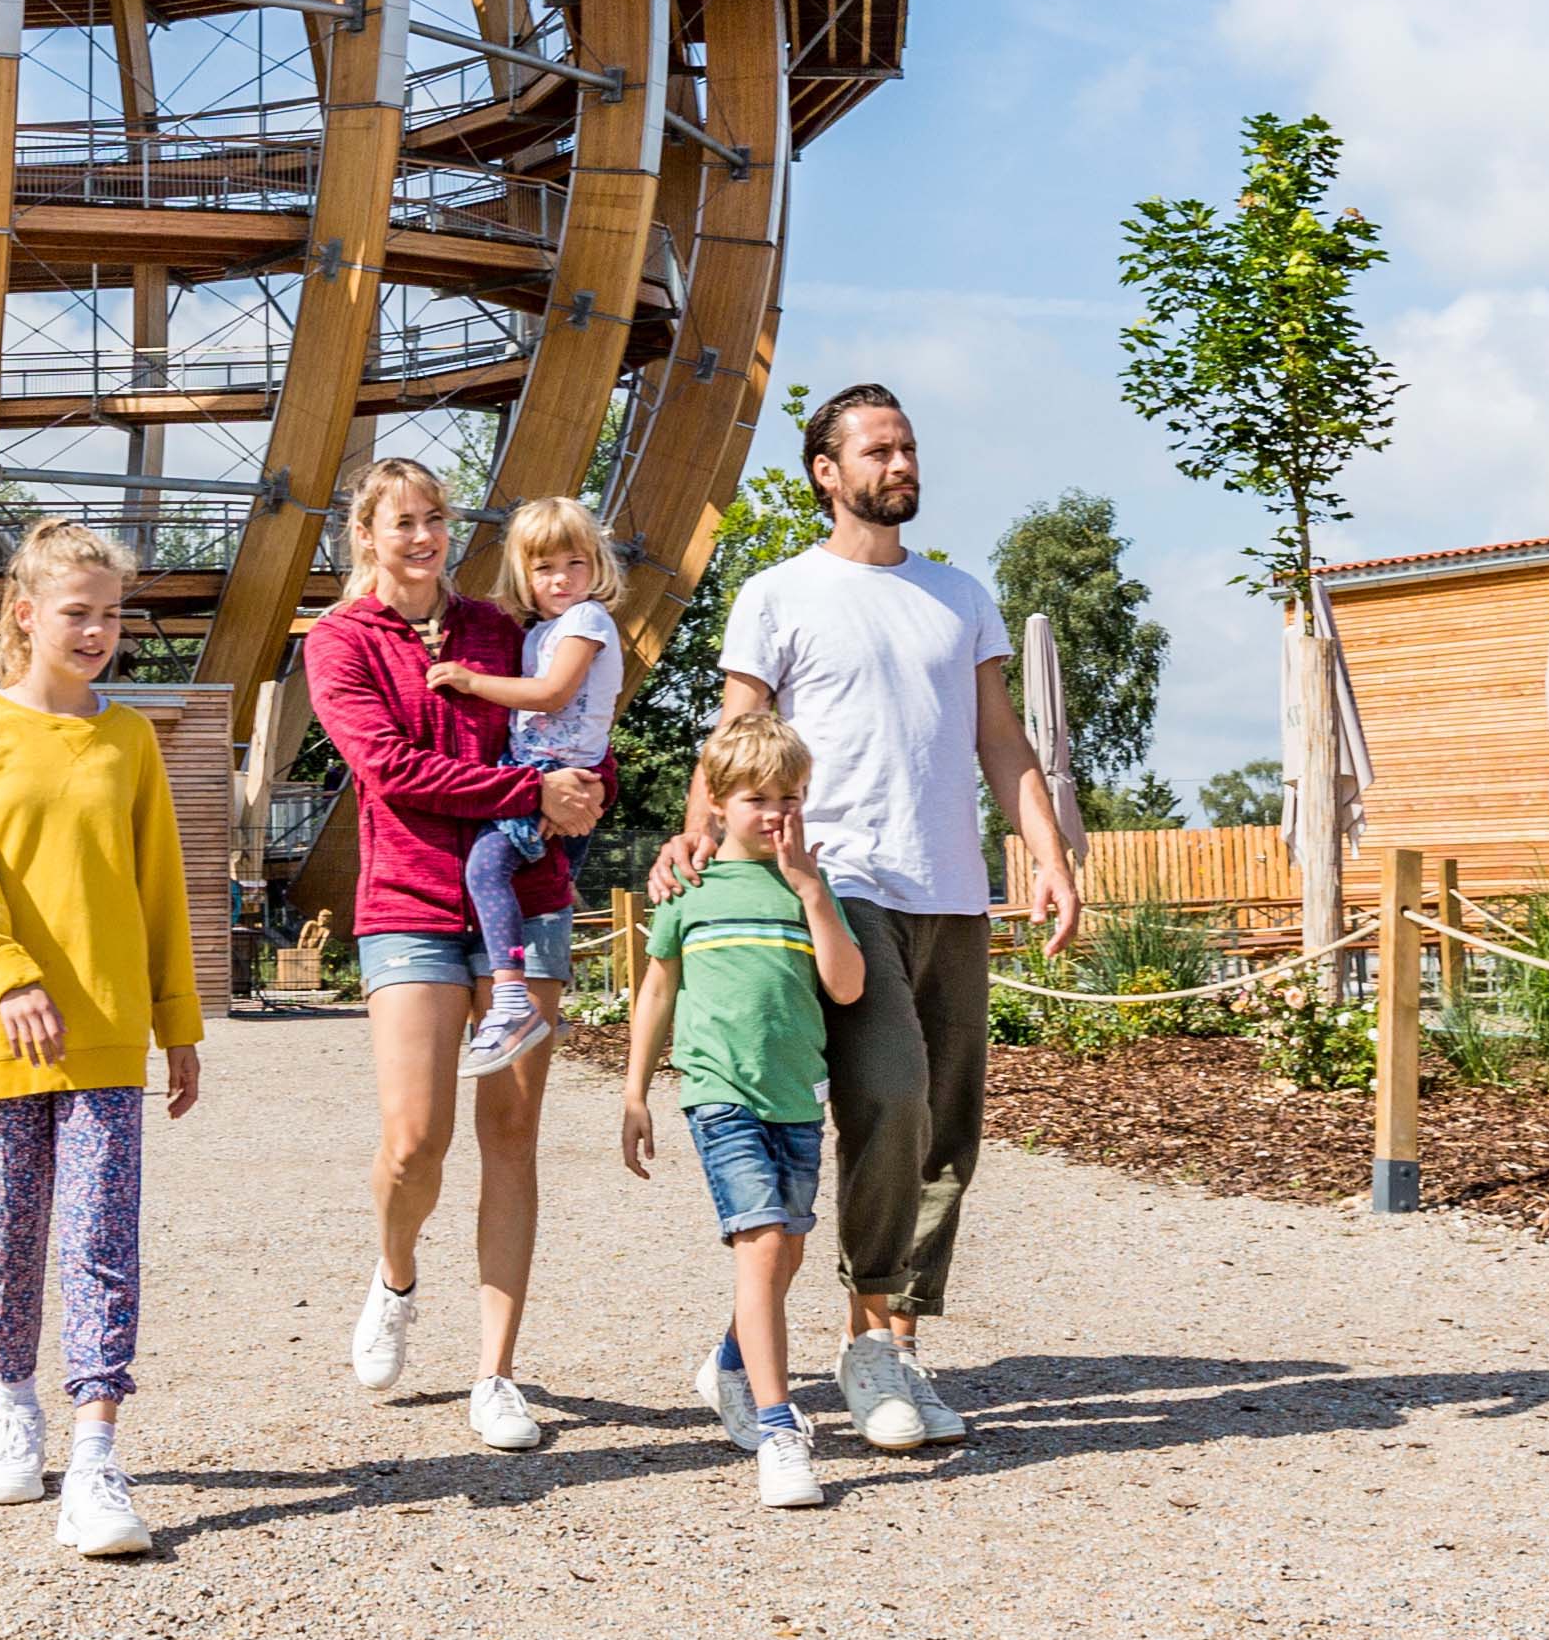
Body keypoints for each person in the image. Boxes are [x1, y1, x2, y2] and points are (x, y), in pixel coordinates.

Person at [664, 385, 1087, 1454]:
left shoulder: (959, 596)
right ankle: (866, 1346)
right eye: (879, 448)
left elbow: (1002, 742)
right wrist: (700, 845)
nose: (900, 462)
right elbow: (734, 744)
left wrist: (1047, 855)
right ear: (827, 470)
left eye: (907, 447)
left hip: (951, 889)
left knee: (947, 1128)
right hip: (839, 883)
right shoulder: (778, 593)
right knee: (888, 1100)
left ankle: (877, 1341)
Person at [299, 454, 608, 1455]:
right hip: (410, 899)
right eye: (404, 523)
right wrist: (530, 796)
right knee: (413, 1140)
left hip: (527, 901)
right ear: (366, 536)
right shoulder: (342, 642)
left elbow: (565, 720)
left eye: (436, 518)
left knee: (512, 1136)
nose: (425, 536)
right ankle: (395, 1276)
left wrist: (585, 783)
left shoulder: (497, 629)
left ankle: (496, 1373)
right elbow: (386, 768)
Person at [0, 518, 206, 1562]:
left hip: (104, 1033)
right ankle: (14, 1403)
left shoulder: (128, 740)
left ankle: (96, 1457)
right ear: (26, 614)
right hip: (2, 1034)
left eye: (112, 614)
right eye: (78, 613)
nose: (97, 632)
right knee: (12, 1244)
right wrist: (5, 978)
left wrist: (177, 1022)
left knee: (98, 1241)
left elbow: (160, 889)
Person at [615, 708, 867, 1512]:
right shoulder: (690, 890)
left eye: (791, 795)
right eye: (758, 797)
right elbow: (657, 990)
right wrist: (634, 1090)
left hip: (797, 1097)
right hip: (719, 1097)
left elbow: (848, 985)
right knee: (761, 1244)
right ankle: (778, 1427)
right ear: (718, 803)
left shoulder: (808, 889)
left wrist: (811, 892)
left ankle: (729, 1360)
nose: (777, 812)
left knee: (786, 1254)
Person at [426, 497, 626, 1073]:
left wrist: (470, 681)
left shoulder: (587, 621)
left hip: (553, 777)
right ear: (524, 574)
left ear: (597, 565)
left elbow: (552, 694)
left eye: (575, 564)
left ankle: (511, 997)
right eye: (545, 568)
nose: (562, 579)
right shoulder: (544, 630)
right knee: (527, 887)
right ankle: (538, 1007)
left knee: (486, 873)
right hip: (539, 772)